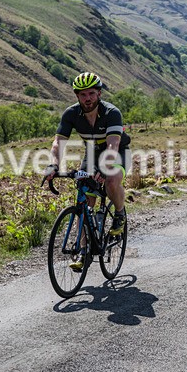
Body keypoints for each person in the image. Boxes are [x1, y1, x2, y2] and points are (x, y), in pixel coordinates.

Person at [44, 72, 131, 270]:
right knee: (84, 201)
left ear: (99, 93)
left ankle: (119, 214)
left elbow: (113, 144)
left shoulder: (111, 113)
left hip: (116, 152)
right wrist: (53, 165)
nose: (87, 98)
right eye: (82, 95)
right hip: (91, 153)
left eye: (91, 93)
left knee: (111, 180)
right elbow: (58, 142)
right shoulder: (71, 114)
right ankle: (83, 252)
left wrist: (104, 167)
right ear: (77, 96)